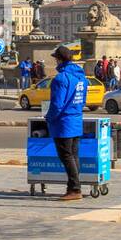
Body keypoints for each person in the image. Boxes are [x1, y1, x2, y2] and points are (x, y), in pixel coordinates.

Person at [45, 44, 87, 200]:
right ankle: (73, 187)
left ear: (59, 59)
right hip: (76, 118)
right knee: (74, 156)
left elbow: (57, 104)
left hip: (64, 122)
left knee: (66, 156)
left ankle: (75, 189)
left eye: (56, 59)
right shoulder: (81, 77)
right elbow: (83, 100)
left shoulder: (61, 78)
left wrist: (49, 117)